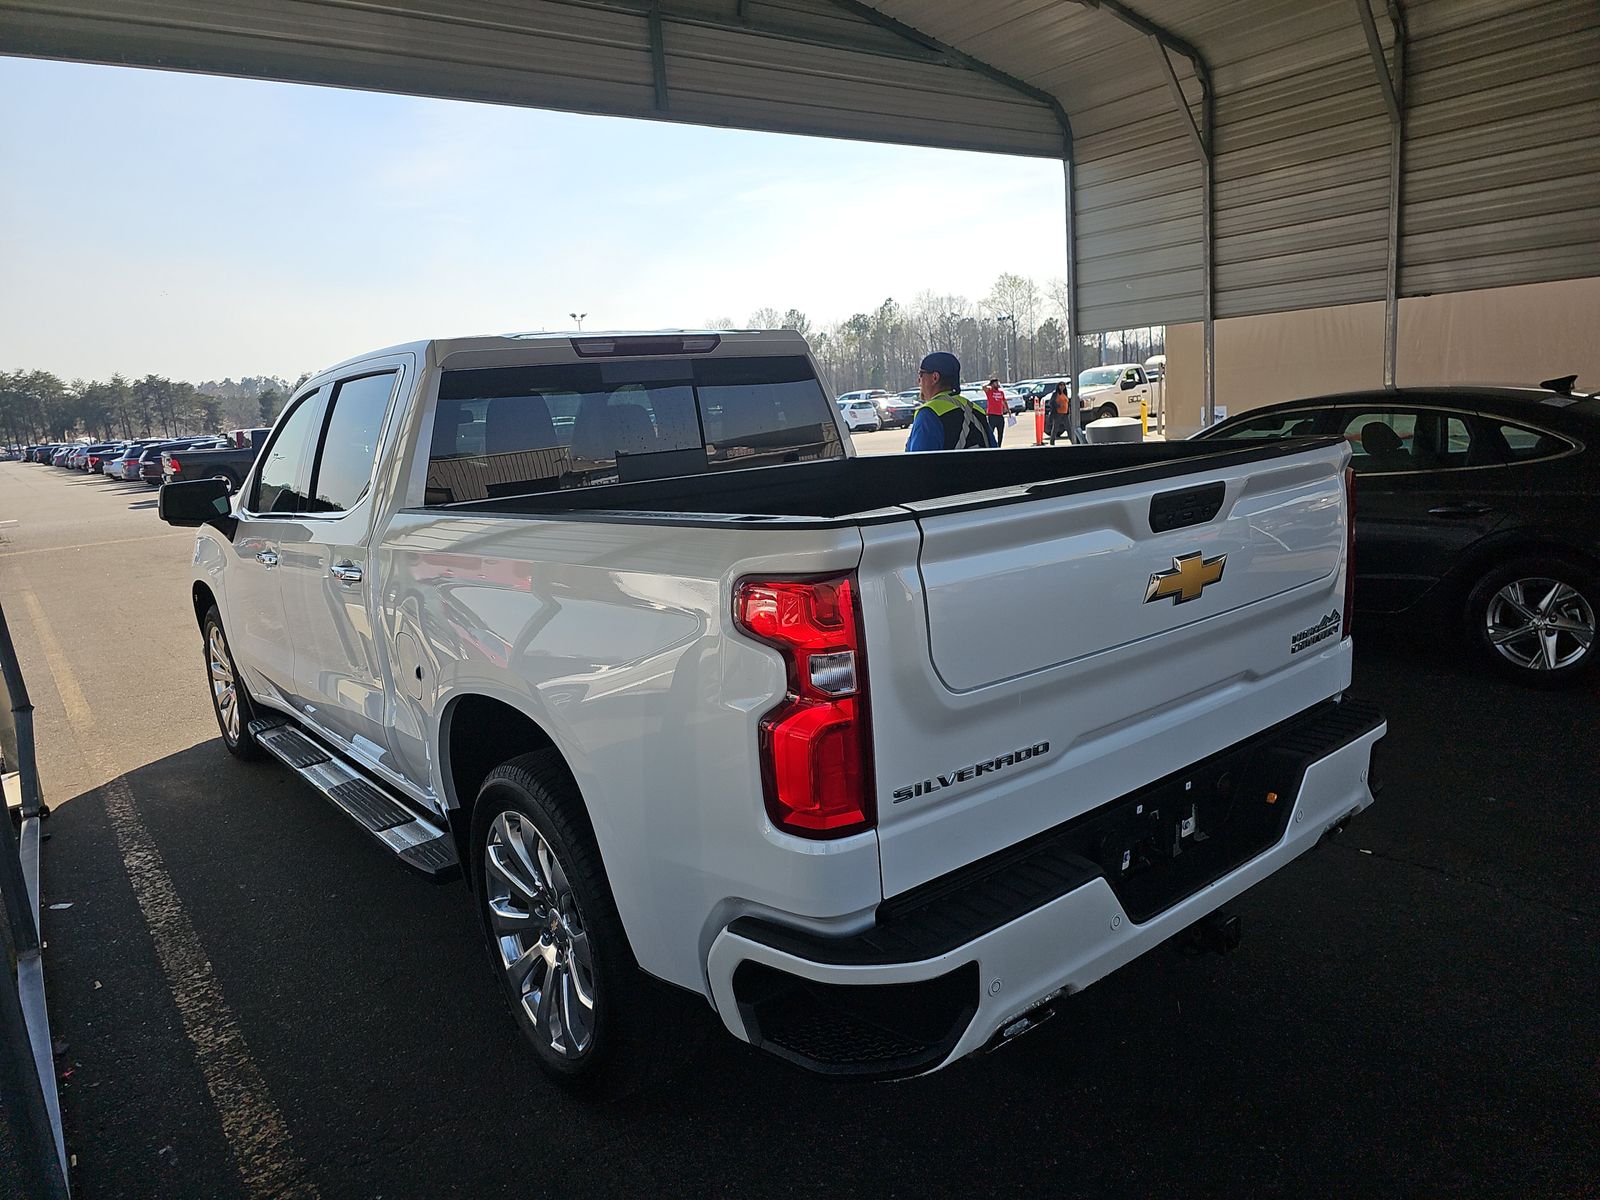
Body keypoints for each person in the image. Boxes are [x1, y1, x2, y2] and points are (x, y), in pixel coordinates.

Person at [904, 351, 993, 451]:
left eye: (921, 374)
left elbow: (918, 459)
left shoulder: (928, 414)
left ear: (935, 377)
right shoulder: (977, 410)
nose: (919, 381)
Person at [1048, 380, 1077, 445]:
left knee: (1069, 428)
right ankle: (1052, 442)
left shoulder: (1065, 394)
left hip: (1065, 414)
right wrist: (1058, 406)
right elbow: (1051, 402)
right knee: (1055, 428)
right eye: (1060, 385)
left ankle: (1073, 442)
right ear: (1058, 386)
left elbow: (1067, 403)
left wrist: (1068, 411)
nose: (1062, 386)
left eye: (1063, 385)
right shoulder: (1056, 394)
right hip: (1058, 413)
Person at [982, 376, 1008, 447]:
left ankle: (999, 446)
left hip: (1000, 415)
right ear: (992, 384)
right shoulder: (989, 391)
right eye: (995, 383)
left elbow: (1004, 401)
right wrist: (989, 383)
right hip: (992, 415)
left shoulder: (1001, 392)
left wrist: (1008, 410)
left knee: (1000, 433)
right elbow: (983, 387)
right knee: (991, 432)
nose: (997, 384)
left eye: (997, 382)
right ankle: (990, 445)